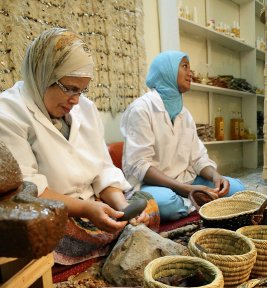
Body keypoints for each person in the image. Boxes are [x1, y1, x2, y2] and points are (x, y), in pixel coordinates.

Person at [0, 28, 160, 268]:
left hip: (94, 202)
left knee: (148, 204)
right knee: (43, 230)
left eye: (81, 90)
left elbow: (103, 169)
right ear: (43, 74)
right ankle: (113, 241)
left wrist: (122, 207)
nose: (76, 100)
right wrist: (85, 208)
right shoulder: (9, 112)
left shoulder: (85, 108)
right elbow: (28, 189)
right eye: (70, 88)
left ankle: (113, 234)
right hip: (56, 209)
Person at [121, 50, 245, 221]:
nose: (190, 73)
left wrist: (216, 177)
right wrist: (185, 190)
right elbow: (141, 165)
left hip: (185, 180)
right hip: (150, 185)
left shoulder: (184, 113)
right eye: (185, 66)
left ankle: (195, 201)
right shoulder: (141, 109)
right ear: (167, 71)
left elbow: (198, 158)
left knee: (237, 189)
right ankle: (198, 203)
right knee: (169, 204)